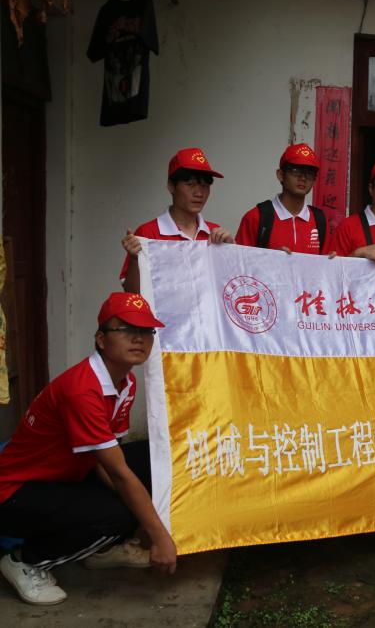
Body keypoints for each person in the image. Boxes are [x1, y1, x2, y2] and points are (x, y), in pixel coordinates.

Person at [0, 293, 177, 605]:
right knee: (118, 513)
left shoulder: (126, 382)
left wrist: (138, 506)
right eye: (126, 329)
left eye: (146, 331)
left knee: (156, 459)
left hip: (67, 475)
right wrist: (159, 535)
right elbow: (118, 473)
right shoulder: (82, 389)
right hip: (15, 492)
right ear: (101, 339)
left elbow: (109, 462)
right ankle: (25, 561)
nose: (139, 338)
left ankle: (102, 548)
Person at [120, 147, 234, 293]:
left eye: (205, 186)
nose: (199, 193)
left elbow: (230, 287)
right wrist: (135, 260)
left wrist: (231, 250)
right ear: (171, 186)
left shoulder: (215, 233)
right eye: (190, 184)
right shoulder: (148, 232)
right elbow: (132, 293)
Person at [235, 143, 328, 254]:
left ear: (314, 180)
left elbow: (326, 262)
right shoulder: (256, 217)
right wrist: (271, 259)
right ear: (280, 175)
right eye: (296, 171)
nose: (303, 178)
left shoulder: (319, 220)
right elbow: (239, 262)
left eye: (309, 173)